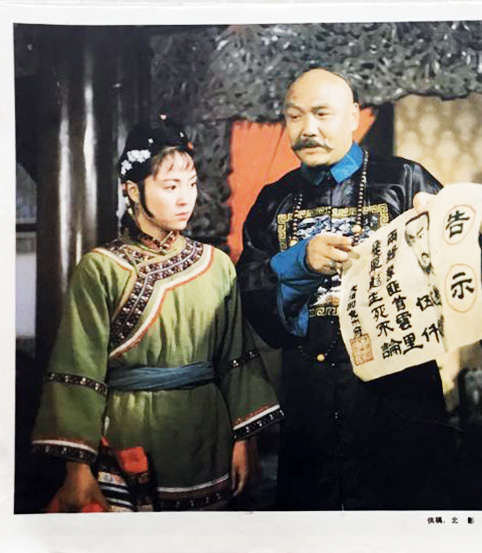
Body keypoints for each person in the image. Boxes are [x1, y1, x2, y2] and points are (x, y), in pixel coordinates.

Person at [31, 116, 283, 512]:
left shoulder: (216, 265)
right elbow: (77, 367)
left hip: (208, 432)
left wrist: (244, 438)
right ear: (132, 190)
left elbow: (237, 358)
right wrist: (77, 469)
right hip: (130, 433)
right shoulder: (101, 268)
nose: (185, 198)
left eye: (191, 184)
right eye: (170, 186)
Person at [237, 68, 453, 510]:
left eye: (322, 114)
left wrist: (440, 236)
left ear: (353, 116)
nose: (307, 129)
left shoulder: (405, 180)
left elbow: (465, 270)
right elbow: (250, 290)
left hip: (398, 398)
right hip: (310, 399)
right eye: (295, 116)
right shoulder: (273, 200)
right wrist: (300, 261)